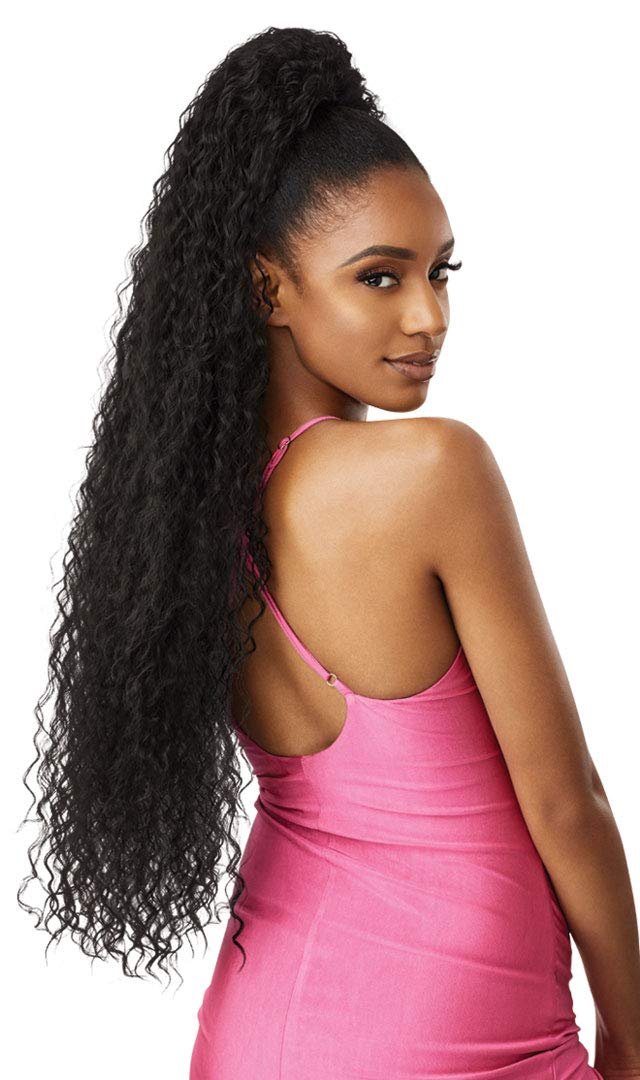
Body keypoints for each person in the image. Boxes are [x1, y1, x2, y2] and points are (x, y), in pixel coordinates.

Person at [18, 25, 639, 1080]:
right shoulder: (431, 472)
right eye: (380, 278)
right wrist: (630, 1033)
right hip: (458, 1030)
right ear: (269, 289)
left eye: (440, 273)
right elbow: (565, 801)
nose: (430, 316)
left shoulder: (177, 517)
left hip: (256, 1024)